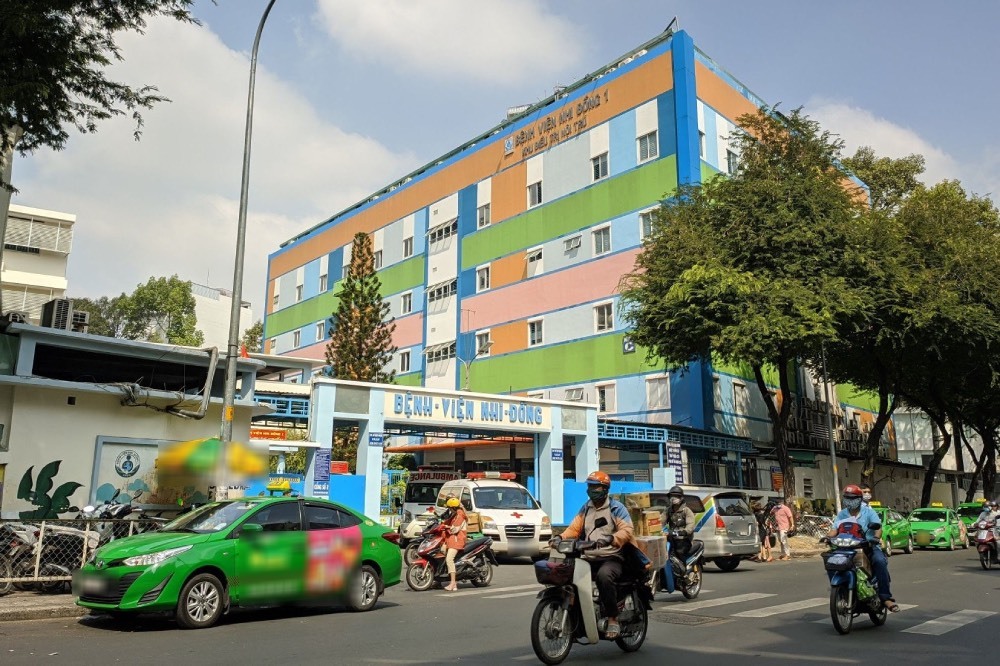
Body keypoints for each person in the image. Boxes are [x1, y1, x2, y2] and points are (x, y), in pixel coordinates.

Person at [556, 471, 635, 639]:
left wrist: (611, 538)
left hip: (612, 557)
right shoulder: (586, 508)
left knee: (604, 576)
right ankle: (576, 619)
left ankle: (612, 618)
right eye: (590, 486)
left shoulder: (616, 508)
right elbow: (574, 528)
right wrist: (559, 537)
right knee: (567, 575)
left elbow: (627, 530)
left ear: (605, 489)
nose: (591, 490)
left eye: (596, 487)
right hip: (588, 557)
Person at [828, 484, 898, 612]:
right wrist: (827, 537)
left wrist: (875, 538)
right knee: (831, 561)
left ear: (859, 499)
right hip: (846, 548)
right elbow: (834, 529)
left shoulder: (869, 512)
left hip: (868, 546)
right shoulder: (842, 514)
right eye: (847, 498)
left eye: (853, 498)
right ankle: (841, 591)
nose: (850, 501)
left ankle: (885, 597)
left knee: (880, 561)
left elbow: (878, 528)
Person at [441, 494, 467, 592]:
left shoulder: (460, 515)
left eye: (449, 508)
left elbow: (454, 529)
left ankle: (453, 583)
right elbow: (446, 522)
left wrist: (446, 527)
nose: (449, 510)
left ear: (453, 508)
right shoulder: (455, 514)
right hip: (452, 539)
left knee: (449, 559)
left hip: (457, 540)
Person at [665, 485, 696, 563]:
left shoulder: (687, 511)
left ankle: (684, 568)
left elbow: (690, 527)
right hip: (671, 539)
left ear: (681, 498)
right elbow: (661, 521)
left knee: (680, 555)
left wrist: (682, 532)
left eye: (676, 496)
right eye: (672, 496)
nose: (673, 498)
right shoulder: (668, 510)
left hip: (684, 540)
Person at [771, 497, 795, 561]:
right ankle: (783, 554)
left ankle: (787, 555)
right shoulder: (775, 508)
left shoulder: (785, 508)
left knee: (784, 541)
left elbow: (790, 517)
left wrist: (792, 525)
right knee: (781, 541)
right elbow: (771, 513)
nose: (777, 504)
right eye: (776, 503)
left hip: (784, 527)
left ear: (781, 502)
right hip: (778, 527)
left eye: (778, 503)